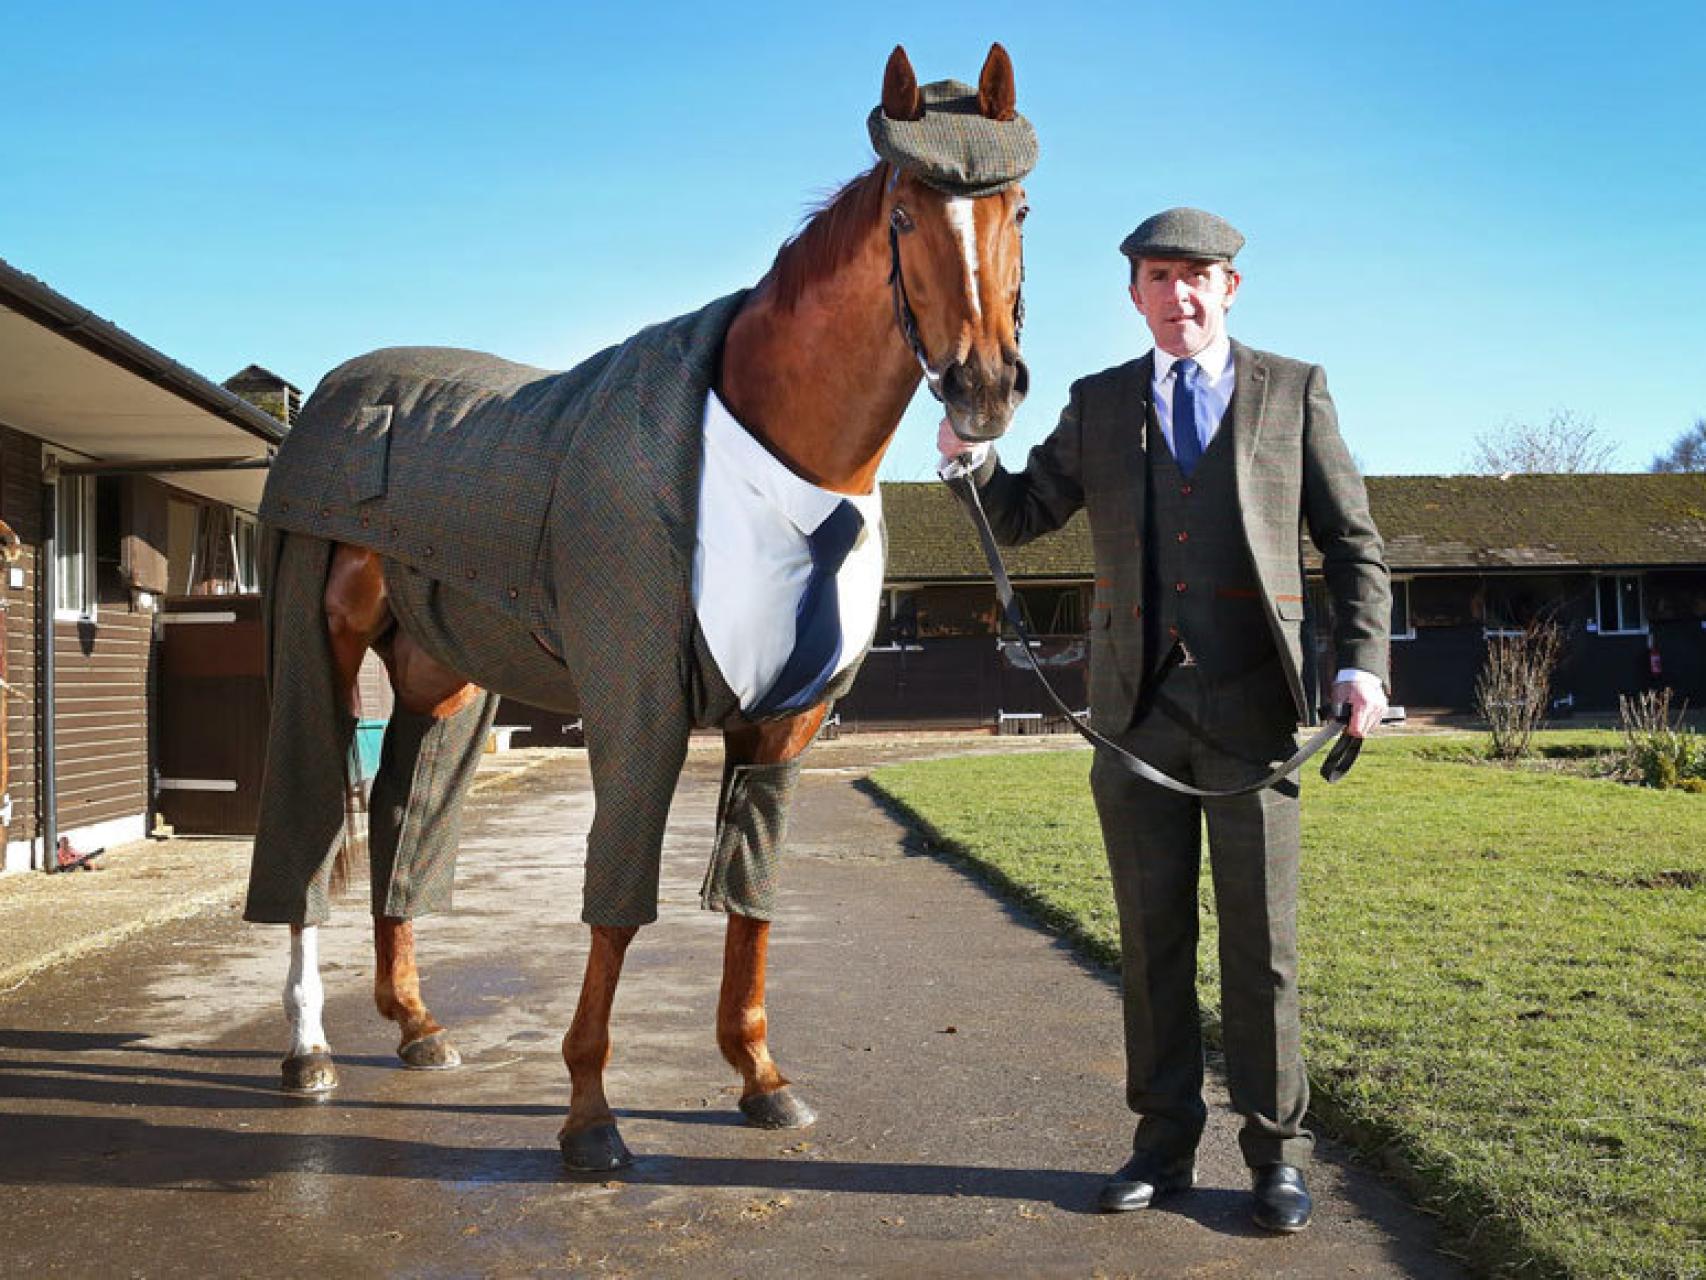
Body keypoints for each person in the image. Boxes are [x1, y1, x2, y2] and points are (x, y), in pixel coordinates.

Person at [937, 207, 1390, 1233]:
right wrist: (969, 461)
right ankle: (1160, 1143)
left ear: (1229, 288)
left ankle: (1275, 1156)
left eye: (1197, 277)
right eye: (1157, 277)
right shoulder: (1097, 403)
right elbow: (1020, 513)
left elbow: (1353, 545)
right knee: (1149, 942)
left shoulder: (1293, 390)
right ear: (1133, 293)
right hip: (1131, 712)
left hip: (1256, 711)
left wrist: (1360, 665)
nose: (1178, 295)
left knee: (1259, 947)